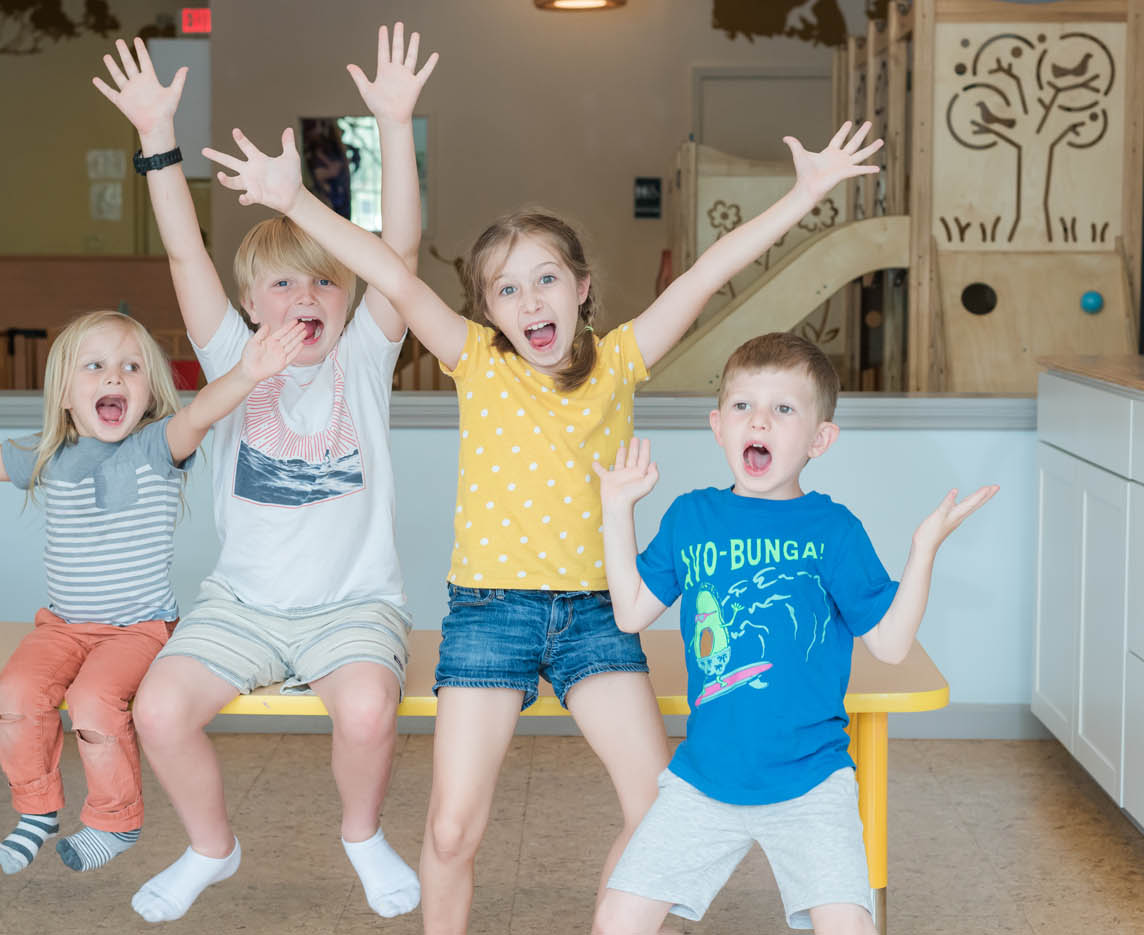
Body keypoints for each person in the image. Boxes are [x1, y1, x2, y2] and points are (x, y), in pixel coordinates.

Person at [206, 98, 884, 927]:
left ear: (583, 288)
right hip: (491, 613)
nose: (530, 300)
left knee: (654, 809)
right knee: (453, 828)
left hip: (600, 613)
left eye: (547, 279)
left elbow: (709, 274)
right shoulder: (475, 362)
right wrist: (295, 203)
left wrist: (804, 193)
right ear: (490, 310)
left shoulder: (623, 361)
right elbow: (389, 274)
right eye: (507, 288)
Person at [93, 24, 437, 923]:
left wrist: (394, 124)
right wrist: (156, 142)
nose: (304, 300)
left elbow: (398, 259)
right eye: (281, 287)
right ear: (250, 306)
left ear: (347, 296)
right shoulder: (230, 357)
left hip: (353, 605)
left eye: (323, 283)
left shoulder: (364, 358)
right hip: (238, 605)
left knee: (367, 711)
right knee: (160, 712)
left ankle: (361, 833)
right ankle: (212, 847)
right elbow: (183, 255)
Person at [0, 309, 306, 875]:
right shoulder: (48, 457)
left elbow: (203, 410)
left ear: (150, 390)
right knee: (14, 693)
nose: (114, 378)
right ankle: (37, 811)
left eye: (131, 367)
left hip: (138, 630)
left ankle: (116, 819)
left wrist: (248, 372)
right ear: (63, 393)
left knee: (92, 703)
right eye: (96, 366)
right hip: (62, 627)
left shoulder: (158, 445)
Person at [592, 332, 998, 934]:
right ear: (718, 426)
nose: (759, 419)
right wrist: (616, 508)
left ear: (819, 438)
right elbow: (629, 612)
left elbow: (888, 644)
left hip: (812, 784)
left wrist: (922, 550)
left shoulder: (833, 529)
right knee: (616, 924)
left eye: (783, 409)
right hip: (702, 782)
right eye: (743, 406)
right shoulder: (691, 516)